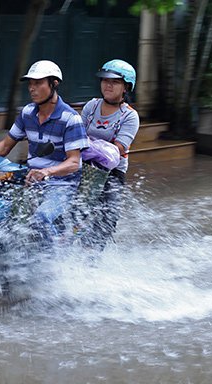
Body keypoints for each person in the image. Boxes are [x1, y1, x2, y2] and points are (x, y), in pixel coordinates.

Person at [0, 60, 89, 243]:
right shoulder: (28, 113)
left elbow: (74, 163)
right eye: (30, 84)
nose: (32, 89)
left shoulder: (70, 118)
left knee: (41, 219)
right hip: (29, 178)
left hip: (61, 185)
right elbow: (5, 146)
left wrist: (46, 172)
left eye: (38, 83)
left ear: (54, 83)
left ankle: (52, 264)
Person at [79, 59, 140, 247]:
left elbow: (117, 150)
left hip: (111, 174)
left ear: (126, 87)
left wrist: (86, 146)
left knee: (107, 217)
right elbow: (76, 135)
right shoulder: (91, 106)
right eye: (105, 80)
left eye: (114, 82)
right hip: (81, 166)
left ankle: (93, 256)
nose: (108, 85)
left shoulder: (129, 116)